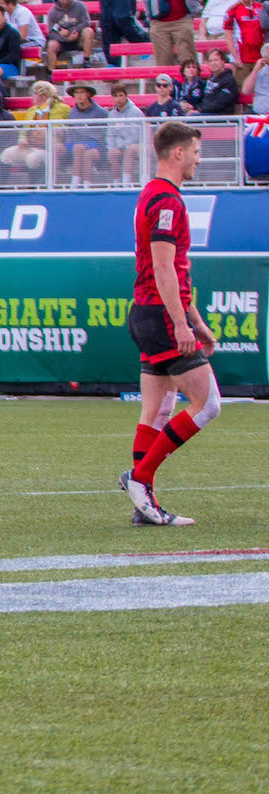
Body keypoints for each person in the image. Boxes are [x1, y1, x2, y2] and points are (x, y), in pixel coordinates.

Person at [122, 121, 221, 528]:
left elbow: (174, 272)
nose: (199, 159)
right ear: (178, 153)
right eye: (196, 152)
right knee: (208, 404)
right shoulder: (167, 201)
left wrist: (196, 322)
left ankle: (143, 503)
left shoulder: (154, 194)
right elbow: (164, 268)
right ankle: (140, 481)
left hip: (151, 311)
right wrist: (181, 324)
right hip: (161, 315)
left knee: (157, 410)